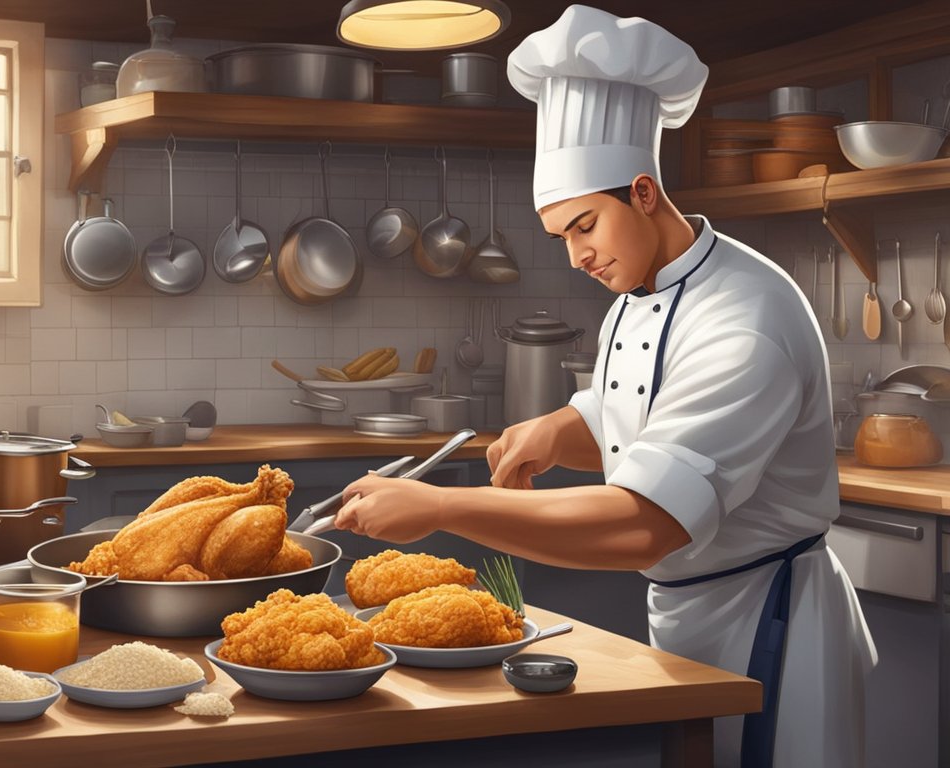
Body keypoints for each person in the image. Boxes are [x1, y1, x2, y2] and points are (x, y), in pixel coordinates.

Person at [333, 6, 875, 767]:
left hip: (773, 622)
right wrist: (562, 426)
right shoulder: (638, 295)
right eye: (563, 237)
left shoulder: (745, 319)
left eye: (586, 225)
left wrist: (442, 508)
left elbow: (647, 522)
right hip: (691, 615)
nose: (577, 257)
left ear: (645, 193)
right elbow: (641, 417)